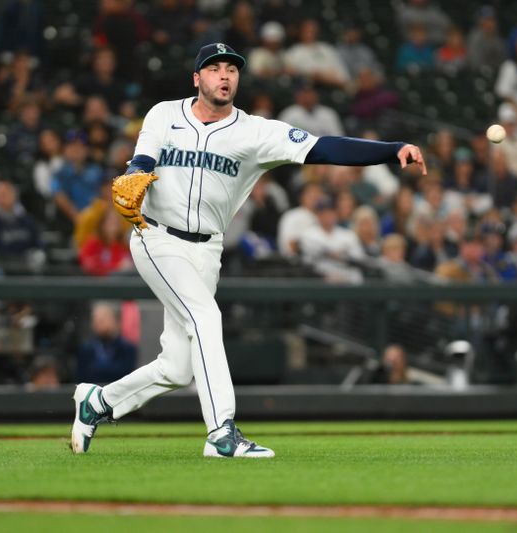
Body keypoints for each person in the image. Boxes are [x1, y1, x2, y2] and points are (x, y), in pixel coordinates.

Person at [70, 43, 426, 458]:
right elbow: (142, 161)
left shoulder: (256, 132)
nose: (224, 75)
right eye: (214, 68)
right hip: (157, 237)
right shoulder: (164, 114)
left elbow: (324, 147)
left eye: (231, 69)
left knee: (178, 366)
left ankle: (99, 403)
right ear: (196, 78)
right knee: (206, 318)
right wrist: (134, 172)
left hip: (207, 250)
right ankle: (221, 433)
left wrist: (389, 150)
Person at [77, 303, 137, 384]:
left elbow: (125, 374)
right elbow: (82, 377)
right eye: (96, 319)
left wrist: (97, 369)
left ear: (114, 320)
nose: (99, 323)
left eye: (103, 319)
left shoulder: (127, 348)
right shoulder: (86, 349)